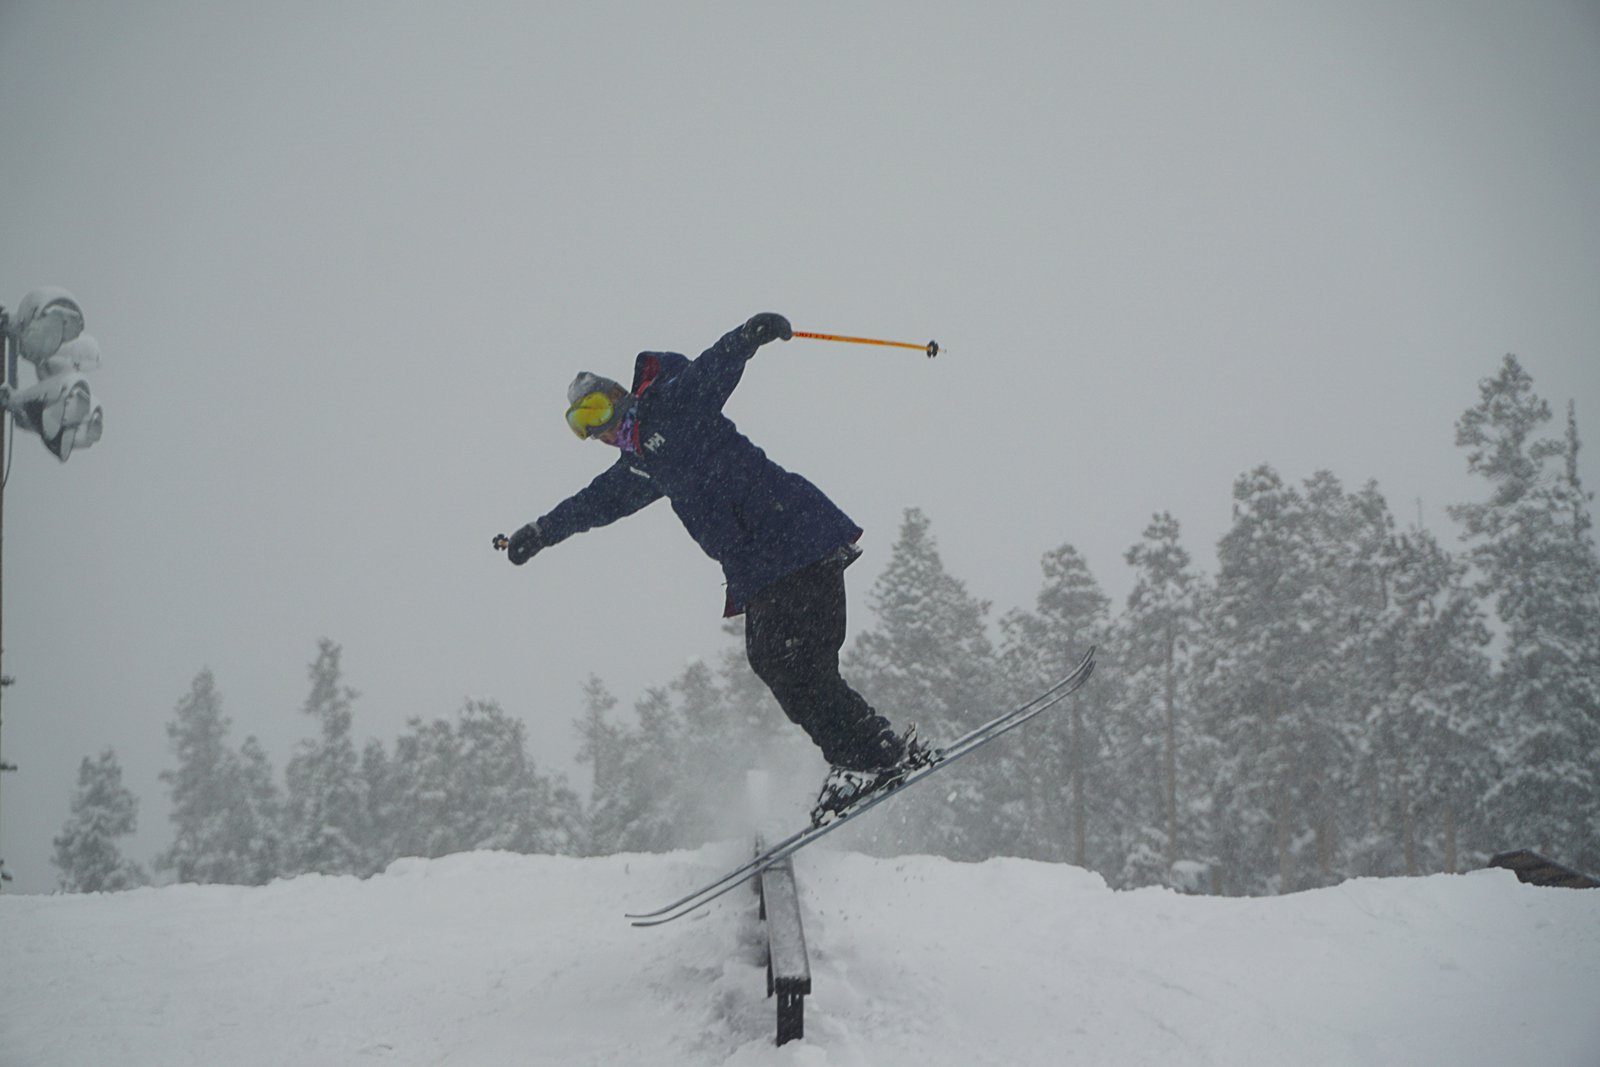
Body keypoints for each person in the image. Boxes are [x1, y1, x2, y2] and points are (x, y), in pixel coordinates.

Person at [497, 312, 930, 825]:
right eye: (579, 424)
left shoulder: (673, 406)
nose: (595, 428)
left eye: (595, 410)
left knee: (781, 659)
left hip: (790, 538)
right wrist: (542, 531)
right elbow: (594, 503)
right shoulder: (642, 465)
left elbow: (712, 368)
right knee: (791, 666)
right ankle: (874, 750)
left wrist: (748, 336)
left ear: (619, 397)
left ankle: (864, 759)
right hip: (777, 559)